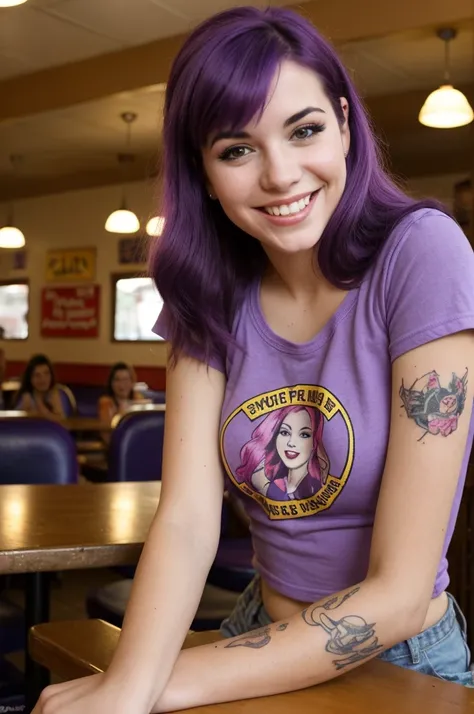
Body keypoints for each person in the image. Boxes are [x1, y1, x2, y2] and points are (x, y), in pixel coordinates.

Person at [32, 7, 474, 714]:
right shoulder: (206, 291)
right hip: (255, 627)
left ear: (344, 124)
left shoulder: (424, 253)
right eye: (237, 149)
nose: (279, 175)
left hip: (403, 657)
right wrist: (127, 686)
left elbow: (396, 594)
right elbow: (186, 520)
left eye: (304, 131)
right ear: (202, 172)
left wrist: (142, 688)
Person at [16, 353, 65, 422]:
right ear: (30, 378)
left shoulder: (53, 393)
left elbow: (60, 421)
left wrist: (39, 401)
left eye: (46, 373)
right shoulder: (26, 397)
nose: (43, 379)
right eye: (37, 375)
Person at [98, 362, 145, 426]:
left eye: (125, 379)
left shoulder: (138, 398)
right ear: (111, 383)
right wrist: (121, 412)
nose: (121, 385)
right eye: (117, 380)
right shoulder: (105, 402)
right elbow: (106, 431)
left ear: (132, 382)